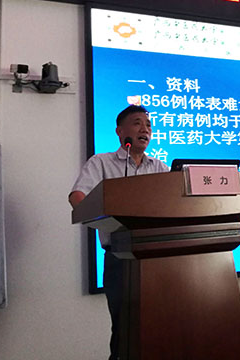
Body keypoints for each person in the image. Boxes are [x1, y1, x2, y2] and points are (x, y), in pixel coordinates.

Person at [69, 104, 170, 360]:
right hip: (120, 258)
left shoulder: (159, 167)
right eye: (137, 123)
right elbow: (78, 196)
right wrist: (105, 219)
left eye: (148, 125)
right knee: (125, 327)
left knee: (159, 325)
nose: (145, 129)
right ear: (120, 131)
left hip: (157, 258)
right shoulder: (101, 162)